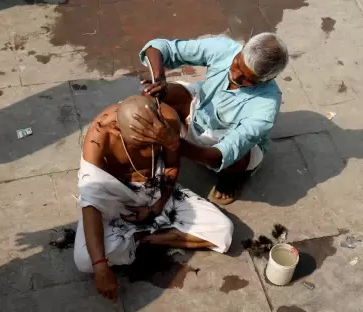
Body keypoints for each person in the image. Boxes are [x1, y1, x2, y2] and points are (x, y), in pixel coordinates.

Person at [73, 95, 233, 302]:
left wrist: (157, 206)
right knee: (85, 261)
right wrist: (101, 267)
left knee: (223, 230)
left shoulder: (167, 120)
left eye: (152, 144)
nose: (147, 150)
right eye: (139, 144)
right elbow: (90, 201)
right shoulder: (100, 133)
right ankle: (143, 236)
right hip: (117, 196)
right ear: (116, 128)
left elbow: (172, 166)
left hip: (157, 187)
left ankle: (145, 238)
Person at [129, 32, 289, 205]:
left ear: (268, 79)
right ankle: (163, 146)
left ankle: (232, 180)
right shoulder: (224, 49)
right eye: (236, 65)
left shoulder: (266, 105)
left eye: (248, 80)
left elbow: (223, 154)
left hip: (224, 144)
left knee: (237, 157)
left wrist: (174, 144)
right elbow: (159, 47)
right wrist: (159, 77)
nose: (235, 76)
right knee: (153, 98)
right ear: (241, 49)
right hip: (198, 110)